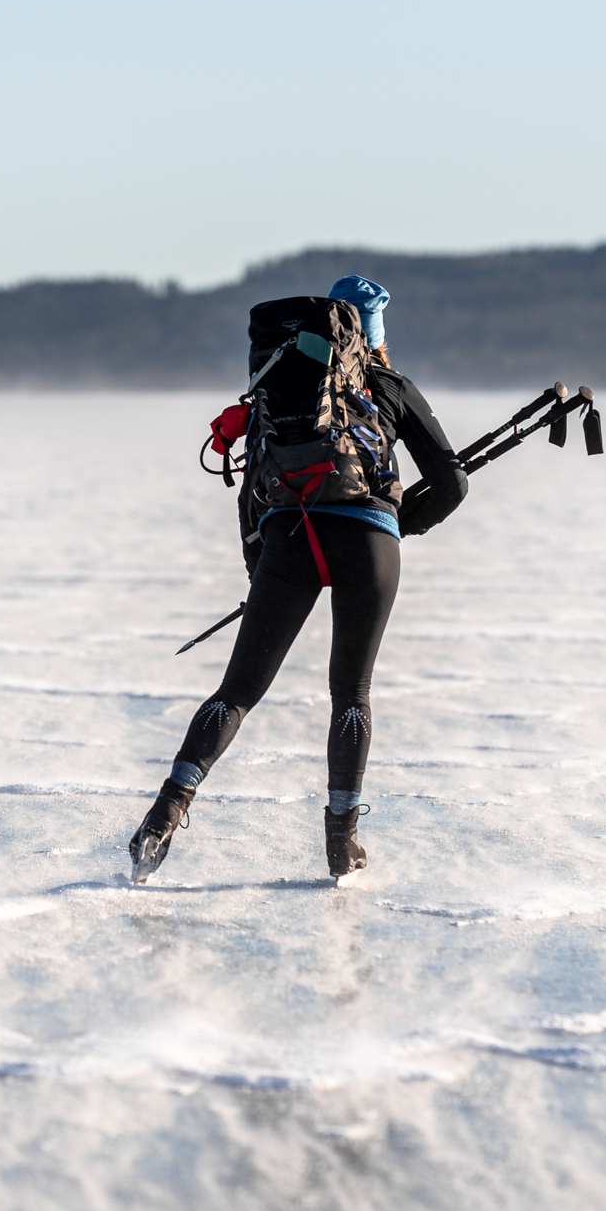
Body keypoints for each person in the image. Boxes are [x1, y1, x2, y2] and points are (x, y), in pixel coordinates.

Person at [128, 275, 469, 882]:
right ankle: (342, 842)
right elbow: (450, 484)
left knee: (236, 692)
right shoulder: (390, 384)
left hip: (289, 536)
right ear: (377, 335)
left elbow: (253, 496)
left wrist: (263, 569)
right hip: (369, 541)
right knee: (351, 693)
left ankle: (163, 815)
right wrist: (396, 523)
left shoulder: (279, 387)